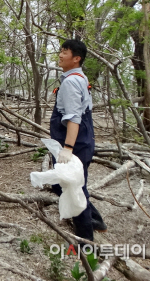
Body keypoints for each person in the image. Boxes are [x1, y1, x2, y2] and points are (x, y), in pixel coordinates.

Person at [50, 39, 106, 241]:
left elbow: (74, 117)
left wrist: (68, 148)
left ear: (76, 58)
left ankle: (85, 243)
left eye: (65, 52)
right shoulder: (78, 77)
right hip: (83, 138)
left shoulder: (72, 82)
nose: (60, 55)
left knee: (73, 189)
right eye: (61, 51)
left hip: (76, 141)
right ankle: (95, 220)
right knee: (64, 183)